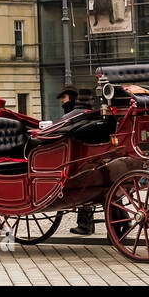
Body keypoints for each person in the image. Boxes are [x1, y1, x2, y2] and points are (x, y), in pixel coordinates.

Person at [59, 87, 96, 235]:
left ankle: (85, 225)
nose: (62, 101)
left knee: (81, 185)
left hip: (79, 159)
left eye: (64, 97)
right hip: (96, 158)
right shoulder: (95, 114)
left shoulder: (72, 116)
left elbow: (58, 131)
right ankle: (121, 223)